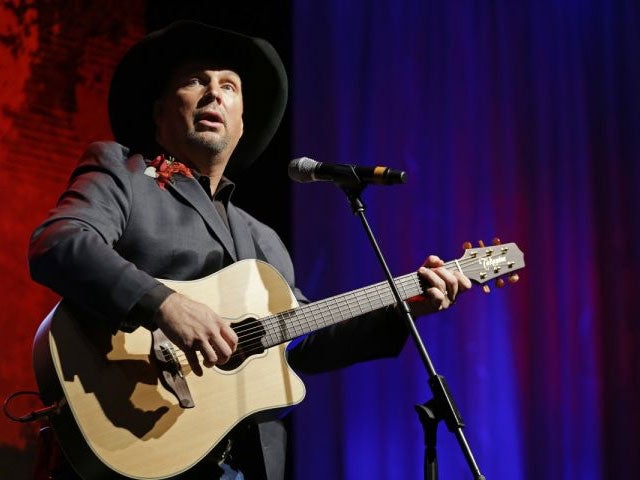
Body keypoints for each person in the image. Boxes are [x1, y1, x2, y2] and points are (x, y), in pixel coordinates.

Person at [28, 20, 471, 480]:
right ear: (159, 113)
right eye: (196, 80)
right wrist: (166, 305)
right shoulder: (122, 172)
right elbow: (58, 242)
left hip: (244, 465)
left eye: (229, 86)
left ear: (241, 124)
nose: (213, 94)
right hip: (134, 439)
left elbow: (304, 340)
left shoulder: (263, 238)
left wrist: (406, 306)